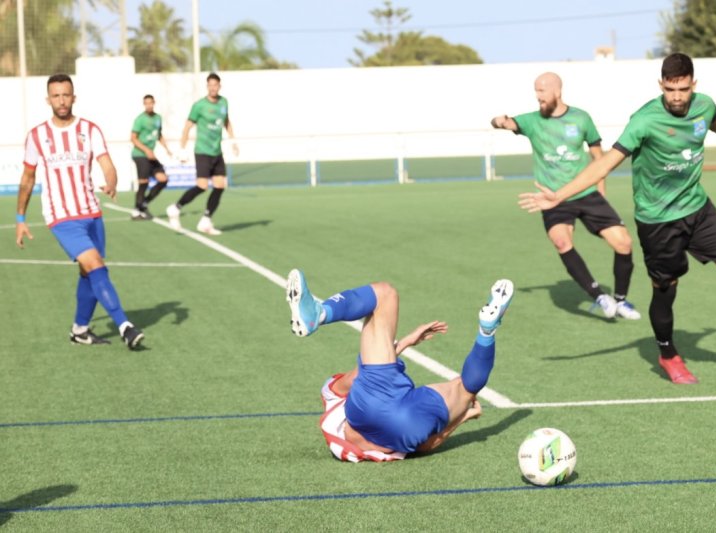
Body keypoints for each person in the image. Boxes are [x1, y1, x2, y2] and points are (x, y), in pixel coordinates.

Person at [518, 53, 716, 383]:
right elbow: (605, 163)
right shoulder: (644, 120)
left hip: (698, 209)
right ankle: (668, 354)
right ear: (661, 85)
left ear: (693, 85)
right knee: (665, 291)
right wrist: (560, 195)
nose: (676, 96)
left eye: (683, 89)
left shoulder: (704, 105)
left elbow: (715, 123)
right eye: (670, 89)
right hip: (658, 220)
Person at [286, 268, 513, 461]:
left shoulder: (342, 428)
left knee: (466, 390)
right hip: (377, 413)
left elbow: (424, 446)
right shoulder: (331, 391)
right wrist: (403, 342)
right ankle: (487, 330)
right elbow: (362, 373)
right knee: (384, 294)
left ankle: (488, 330)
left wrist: (462, 417)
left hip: (397, 426)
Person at [492, 72, 640, 320]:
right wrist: (499, 121)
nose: (537, 96)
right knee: (561, 241)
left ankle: (621, 301)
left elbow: (598, 157)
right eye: (535, 91)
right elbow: (505, 123)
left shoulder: (581, 118)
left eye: (541, 91)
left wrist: (600, 188)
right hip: (553, 197)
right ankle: (599, 297)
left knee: (623, 243)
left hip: (587, 193)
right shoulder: (531, 121)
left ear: (556, 91)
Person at [15, 74, 145, 350]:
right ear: (48, 99)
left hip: (91, 212)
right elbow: (27, 178)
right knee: (96, 266)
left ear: (74, 97)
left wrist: (111, 181)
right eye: (56, 95)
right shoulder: (37, 136)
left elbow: (107, 164)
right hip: (61, 217)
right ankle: (125, 326)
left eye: (66, 95)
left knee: (88, 273)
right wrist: (20, 218)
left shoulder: (90, 130)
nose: (61, 101)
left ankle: (79, 330)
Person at [167, 72, 238, 236]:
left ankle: (206, 220)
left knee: (220, 186)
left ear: (219, 86)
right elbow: (187, 127)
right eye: (210, 85)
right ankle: (175, 207)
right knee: (202, 186)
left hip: (217, 151)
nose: (213, 88)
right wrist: (182, 149)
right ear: (207, 87)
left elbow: (226, 121)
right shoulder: (199, 105)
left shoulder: (224, 102)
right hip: (202, 151)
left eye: (216, 85)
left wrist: (233, 141)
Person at [130, 94, 173, 220]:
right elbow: (133, 138)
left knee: (163, 179)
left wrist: (167, 149)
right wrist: (146, 150)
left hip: (150, 155)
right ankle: (136, 210)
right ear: (144, 104)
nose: (149, 105)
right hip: (140, 154)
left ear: (154, 103)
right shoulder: (140, 119)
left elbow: (159, 135)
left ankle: (143, 204)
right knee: (144, 182)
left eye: (151, 103)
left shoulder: (158, 118)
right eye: (146, 103)